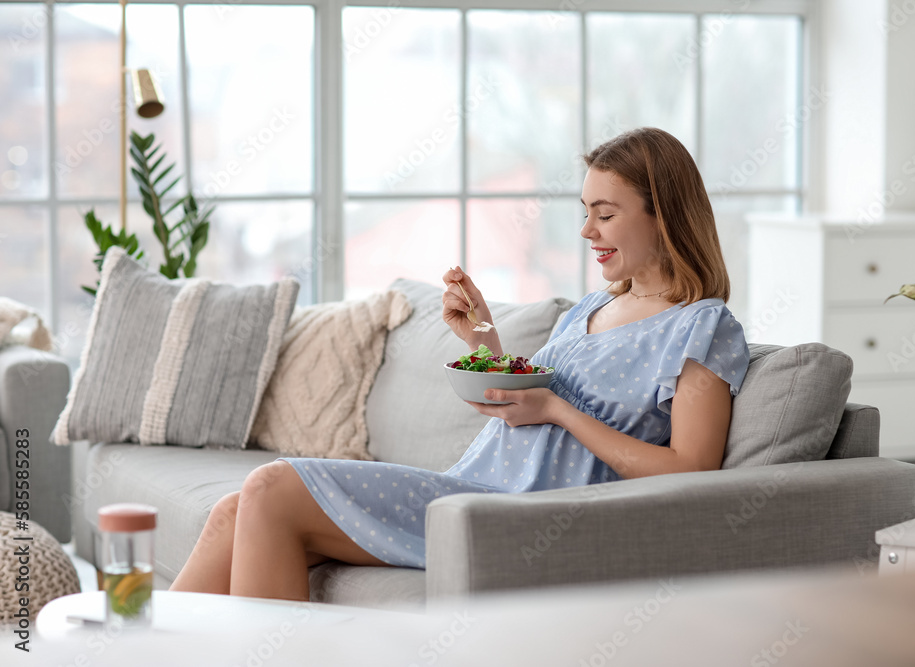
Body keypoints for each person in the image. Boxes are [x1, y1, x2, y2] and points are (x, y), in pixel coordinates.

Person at [168, 127, 750, 601]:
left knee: (271, 486)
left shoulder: (701, 326)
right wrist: (485, 342)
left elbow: (691, 473)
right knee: (233, 511)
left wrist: (557, 409)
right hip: (472, 488)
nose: (586, 231)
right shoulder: (595, 306)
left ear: (663, 215)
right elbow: (534, 397)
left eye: (605, 213)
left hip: (512, 519)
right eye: (585, 211)